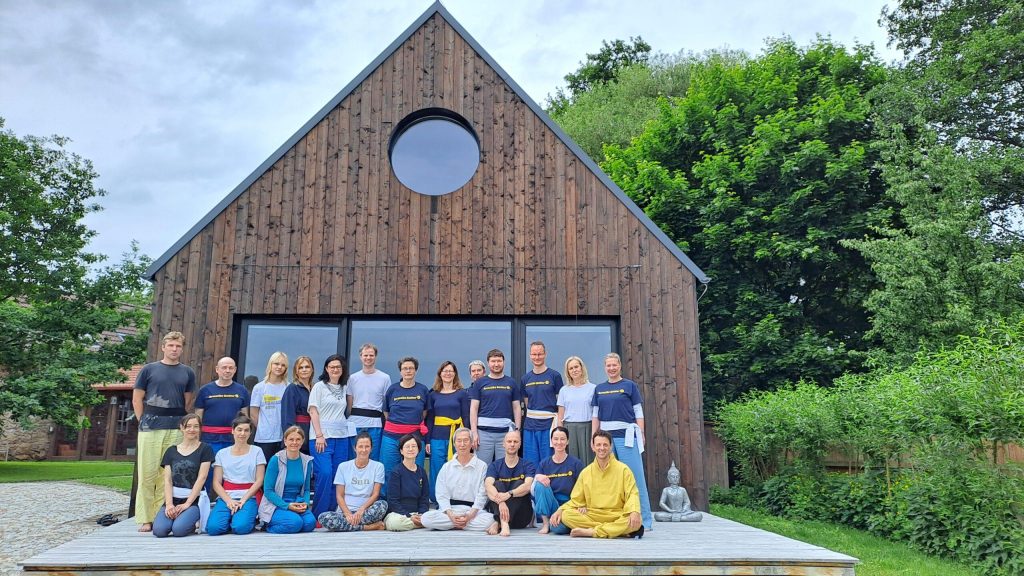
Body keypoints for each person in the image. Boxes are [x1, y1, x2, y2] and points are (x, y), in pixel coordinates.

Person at [133, 331, 197, 532]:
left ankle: (161, 514)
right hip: (150, 427)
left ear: (182, 349)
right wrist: (143, 421)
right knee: (147, 474)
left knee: (167, 475)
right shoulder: (149, 369)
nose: (174, 349)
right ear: (163, 347)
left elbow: (188, 401)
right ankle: (145, 518)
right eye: (171, 345)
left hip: (175, 428)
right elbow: (137, 398)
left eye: (178, 346)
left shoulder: (187, 372)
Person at [591, 352, 653, 530]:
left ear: (619, 366)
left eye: (614, 365)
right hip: (605, 439)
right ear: (605, 368)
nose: (611, 368)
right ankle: (615, 517)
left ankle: (644, 519)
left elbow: (638, 411)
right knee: (609, 479)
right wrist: (594, 437)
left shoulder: (629, 386)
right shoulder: (599, 389)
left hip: (627, 437)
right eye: (608, 365)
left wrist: (641, 432)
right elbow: (595, 415)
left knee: (635, 477)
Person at [550, 430, 643, 538]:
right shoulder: (586, 472)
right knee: (566, 515)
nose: (601, 448)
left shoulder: (623, 470)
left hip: (616, 514)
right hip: (592, 515)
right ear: (593, 447)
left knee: (636, 520)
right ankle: (613, 530)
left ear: (611, 447)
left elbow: (632, 494)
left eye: (605, 445)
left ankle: (593, 532)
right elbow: (576, 500)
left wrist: (634, 511)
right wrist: (560, 510)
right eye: (598, 445)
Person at [308, 354, 355, 519]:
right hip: (322, 437)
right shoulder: (319, 387)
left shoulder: (344, 388)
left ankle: (332, 513)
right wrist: (319, 435)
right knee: (325, 473)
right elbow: (313, 411)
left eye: (338, 367)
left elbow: (347, 410)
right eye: (332, 367)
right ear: (326, 369)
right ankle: (319, 515)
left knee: (338, 475)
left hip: (341, 437)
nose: (335, 369)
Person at [420, 428, 495, 531]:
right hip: (450, 510)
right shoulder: (447, 467)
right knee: (426, 518)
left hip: (473, 511)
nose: (462, 444)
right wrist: (450, 515)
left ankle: (454, 524)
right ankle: (460, 524)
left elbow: (482, 494)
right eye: (459, 441)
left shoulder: (482, 466)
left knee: (490, 520)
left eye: (466, 440)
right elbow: (441, 494)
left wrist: (470, 515)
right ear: (454, 444)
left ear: (472, 443)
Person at [152, 413, 214, 537]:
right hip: (174, 498)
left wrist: (187, 503)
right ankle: (177, 517)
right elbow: (168, 480)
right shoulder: (171, 451)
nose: (192, 429)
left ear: (200, 428)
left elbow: (202, 478)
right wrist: (169, 504)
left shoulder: (205, 449)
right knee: (159, 531)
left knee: (178, 530)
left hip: (193, 499)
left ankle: (189, 520)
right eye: (188, 426)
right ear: (181, 428)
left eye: (196, 426)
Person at [195, 356, 249, 495]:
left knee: (231, 473)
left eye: (231, 368)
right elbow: (198, 417)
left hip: (233, 440)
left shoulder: (242, 390)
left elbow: (245, 417)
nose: (227, 370)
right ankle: (206, 502)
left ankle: (229, 502)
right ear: (217, 369)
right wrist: (196, 439)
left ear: (235, 370)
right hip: (209, 440)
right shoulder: (205, 390)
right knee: (208, 473)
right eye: (224, 367)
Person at [207, 414, 266, 536]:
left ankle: (246, 519)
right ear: (233, 431)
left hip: (249, 496)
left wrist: (244, 499)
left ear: (250, 433)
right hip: (227, 496)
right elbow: (216, 482)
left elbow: (259, 480)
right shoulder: (222, 453)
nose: (242, 433)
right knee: (213, 528)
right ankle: (230, 519)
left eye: (246, 430)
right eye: (239, 430)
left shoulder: (257, 451)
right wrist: (229, 501)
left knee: (240, 528)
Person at [318, 431, 387, 531]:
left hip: (365, 512)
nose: (364, 450)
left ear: (371, 448)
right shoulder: (343, 466)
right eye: (360, 446)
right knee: (323, 517)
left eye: (367, 446)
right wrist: (347, 514)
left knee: (383, 505)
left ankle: (348, 525)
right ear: (355, 448)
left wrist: (361, 510)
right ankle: (367, 527)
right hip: (345, 512)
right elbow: (339, 495)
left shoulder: (378, 466)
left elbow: (375, 494)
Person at [381, 357, 429, 496]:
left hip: (415, 437)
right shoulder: (393, 389)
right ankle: (387, 501)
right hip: (391, 437)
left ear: (416, 370)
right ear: (400, 371)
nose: (408, 371)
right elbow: (386, 412)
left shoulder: (422, 389)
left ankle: (413, 501)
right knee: (389, 470)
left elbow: (424, 413)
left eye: (411, 368)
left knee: (415, 470)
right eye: (405, 368)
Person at [425, 361, 470, 504]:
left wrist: (467, 437)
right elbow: (430, 419)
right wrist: (427, 440)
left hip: (457, 438)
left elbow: (466, 417)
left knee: (456, 468)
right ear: (440, 374)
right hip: (437, 437)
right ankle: (437, 499)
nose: (448, 373)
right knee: (437, 469)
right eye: (445, 371)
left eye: (450, 371)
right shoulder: (433, 394)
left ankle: (455, 499)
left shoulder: (462, 394)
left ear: (455, 374)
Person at [258, 426, 316, 533]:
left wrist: (306, 503)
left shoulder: (307, 461)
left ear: (302, 441)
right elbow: (268, 491)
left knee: (310, 523)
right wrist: (287, 506)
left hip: (297, 502)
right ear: (285, 441)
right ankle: (267, 526)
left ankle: (292, 523)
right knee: (295, 523)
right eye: (291, 439)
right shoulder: (276, 460)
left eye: (298, 439)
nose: (294, 442)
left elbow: (307, 489)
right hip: (277, 504)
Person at [469, 349, 521, 463]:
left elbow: (517, 407)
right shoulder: (479, 383)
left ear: (504, 362)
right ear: (488, 363)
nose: (496, 364)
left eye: (499, 361)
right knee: (482, 467)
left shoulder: (511, 382)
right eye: (493, 361)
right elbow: (473, 408)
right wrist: (474, 432)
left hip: (505, 433)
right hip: (483, 434)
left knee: (504, 466)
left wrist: (517, 430)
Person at [533, 426, 583, 534]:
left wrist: (582, 504)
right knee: (539, 485)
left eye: (562, 439)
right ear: (551, 441)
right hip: (551, 504)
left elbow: (583, 487)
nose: (559, 442)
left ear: (567, 441)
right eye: (556, 439)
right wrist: (538, 477)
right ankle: (545, 523)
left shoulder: (576, 463)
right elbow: (534, 488)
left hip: (568, 506)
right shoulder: (544, 463)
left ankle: (559, 522)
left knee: (558, 529)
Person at [520, 341, 563, 465]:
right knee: (530, 463)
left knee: (549, 462)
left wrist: (560, 426)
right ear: (530, 355)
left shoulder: (555, 376)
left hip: (549, 426)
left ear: (545, 354)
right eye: (534, 354)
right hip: (530, 426)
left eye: (539, 354)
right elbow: (527, 403)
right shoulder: (525, 378)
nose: (537, 357)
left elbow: (560, 403)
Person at [484, 431, 535, 536]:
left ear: (520, 444)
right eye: (509, 441)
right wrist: (501, 502)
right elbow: (488, 486)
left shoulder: (527, 465)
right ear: (503, 444)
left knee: (520, 483)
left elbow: (527, 486)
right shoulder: (495, 465)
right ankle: (504, 523)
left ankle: (498, 522)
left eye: (515, 442)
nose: (512, 444)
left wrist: (509, 494)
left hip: (521, 517)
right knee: (497, 484)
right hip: (499, 510)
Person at [346, 343, 391, 461]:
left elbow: (386, 404)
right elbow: (349, 404)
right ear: (360, 357)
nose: (368, 358)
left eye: (371, 355)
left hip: (375, 424)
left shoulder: (384, 378)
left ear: (375, 356)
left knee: (373, 458)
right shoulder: (352, 378)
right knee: (354, 458)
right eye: (365, 355)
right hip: (355, 424)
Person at [384, 433, 429, 531]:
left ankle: (420, 522)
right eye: (407, 446)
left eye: (414, 446)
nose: (411, 449)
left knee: (437, 516)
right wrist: (409, 516)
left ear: (418, 449)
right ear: (401, 451)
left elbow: (424, 498)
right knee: (395, 523)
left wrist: (421, 514)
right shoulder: (396, 472)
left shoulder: (422, 472)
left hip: (417, 513)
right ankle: (421, 524)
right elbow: (393, 501)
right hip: (400, 514)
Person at [250, 351, 290, 462]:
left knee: (282, 468)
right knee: (264, 468)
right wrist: (263, 428)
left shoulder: (288, 387)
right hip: (264, 438)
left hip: (283, 438)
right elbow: (253, 413)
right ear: (270, 365)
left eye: (283, 365)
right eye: (276, 363)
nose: (279, 367)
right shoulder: (259, 387)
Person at [557, 356, 596, 466]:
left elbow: (596, 414)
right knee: (571, 462)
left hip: (587, 428)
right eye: (571, 368)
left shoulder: (593, 388)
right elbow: (560, 416)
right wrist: (560, 435)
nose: (574, 370)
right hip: (569, 428)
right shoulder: (564, 390)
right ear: (568, 372)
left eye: (576, 367)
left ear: (582, 368)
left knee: (588, 461)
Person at [280, 355, 315, 454]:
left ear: (312, 369)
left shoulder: (315, 388)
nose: (304, 370)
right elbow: (287, 416)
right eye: (300, 367)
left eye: (307, 367)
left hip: (314, 433)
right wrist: (291, 437)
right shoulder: (292, 389)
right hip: (299, 431)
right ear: (296, 371)